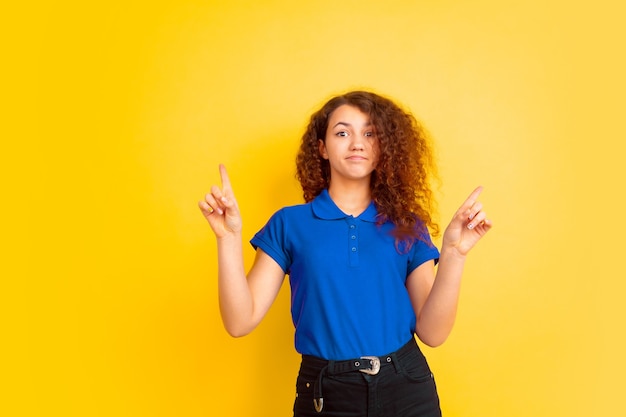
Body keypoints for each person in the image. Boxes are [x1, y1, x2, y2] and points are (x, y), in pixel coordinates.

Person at [198, 90, 492, 416]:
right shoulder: (289, 224)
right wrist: (227, 237)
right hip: (326, 392)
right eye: (342, 132)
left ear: (384, 148)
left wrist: (454, 253)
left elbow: (433, 334)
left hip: (407, 387)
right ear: (322, 148)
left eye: (369, 133)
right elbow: (239, 321)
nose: (357, 143)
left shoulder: (407, 225)